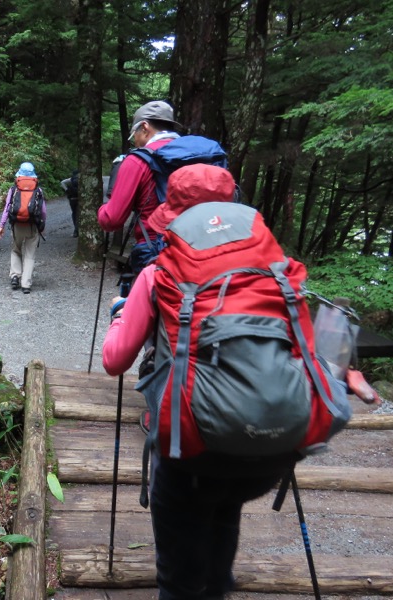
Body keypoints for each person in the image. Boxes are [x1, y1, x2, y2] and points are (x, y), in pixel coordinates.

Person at [102, 163, 286, 600]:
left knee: (178, 580)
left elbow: (115, 360)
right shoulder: (274, 270)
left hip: (191, 450)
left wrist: (123, 314)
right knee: (224, 511)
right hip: (270, 445)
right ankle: (217, 584)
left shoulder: (159, 275)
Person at [97, 100, 180, 276]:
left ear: (145, 127)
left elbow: (112, 219)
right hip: (200, 249)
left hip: (155, 251)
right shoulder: (198, 155)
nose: (134, 140)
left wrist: (103, 209)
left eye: (134, 133)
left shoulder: (137, 160)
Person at [0, 162, 46, 294]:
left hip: (17, 225)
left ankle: (15, 276)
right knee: (30, 255)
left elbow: (7, 209)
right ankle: (26, 284)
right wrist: (42, 226)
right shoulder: (38, 190)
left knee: (16, 249)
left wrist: (1, 225)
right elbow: (43, 211)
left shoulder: (13, 189)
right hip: (32, 225)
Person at [60, 169, 79, 237]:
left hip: (72, 199)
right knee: (79, 214)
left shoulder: (70, 180)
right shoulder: (82, 179)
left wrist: (67, 190)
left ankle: (76, 230)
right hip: (79, 199)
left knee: (74, 213)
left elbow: (62, 182)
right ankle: (77, 230)